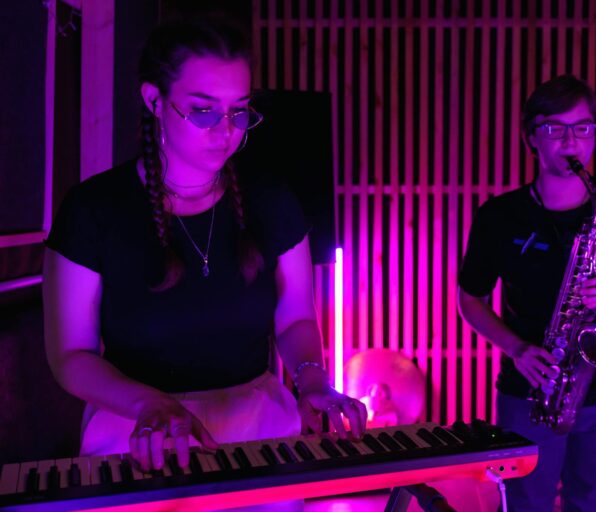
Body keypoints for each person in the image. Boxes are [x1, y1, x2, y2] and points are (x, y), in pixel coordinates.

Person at [43, 19, 366, 510]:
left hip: (258, 430)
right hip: (137, 434)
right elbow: (71, 356)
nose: (226, 132)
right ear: (154, 101)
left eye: (239, 113)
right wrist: (150, 404)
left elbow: (296, 316)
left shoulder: (271, 200)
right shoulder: (93, 210)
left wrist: (312, 381)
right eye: (203, 112)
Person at [457, 75, 596, 511]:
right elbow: (470, 299)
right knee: (526, 506)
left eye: (583, 128)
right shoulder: (500, 216)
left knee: (593, 505)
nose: (570, 141)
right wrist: (516, 349)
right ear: (530, 137)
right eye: (554, 128)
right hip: (531, 391)